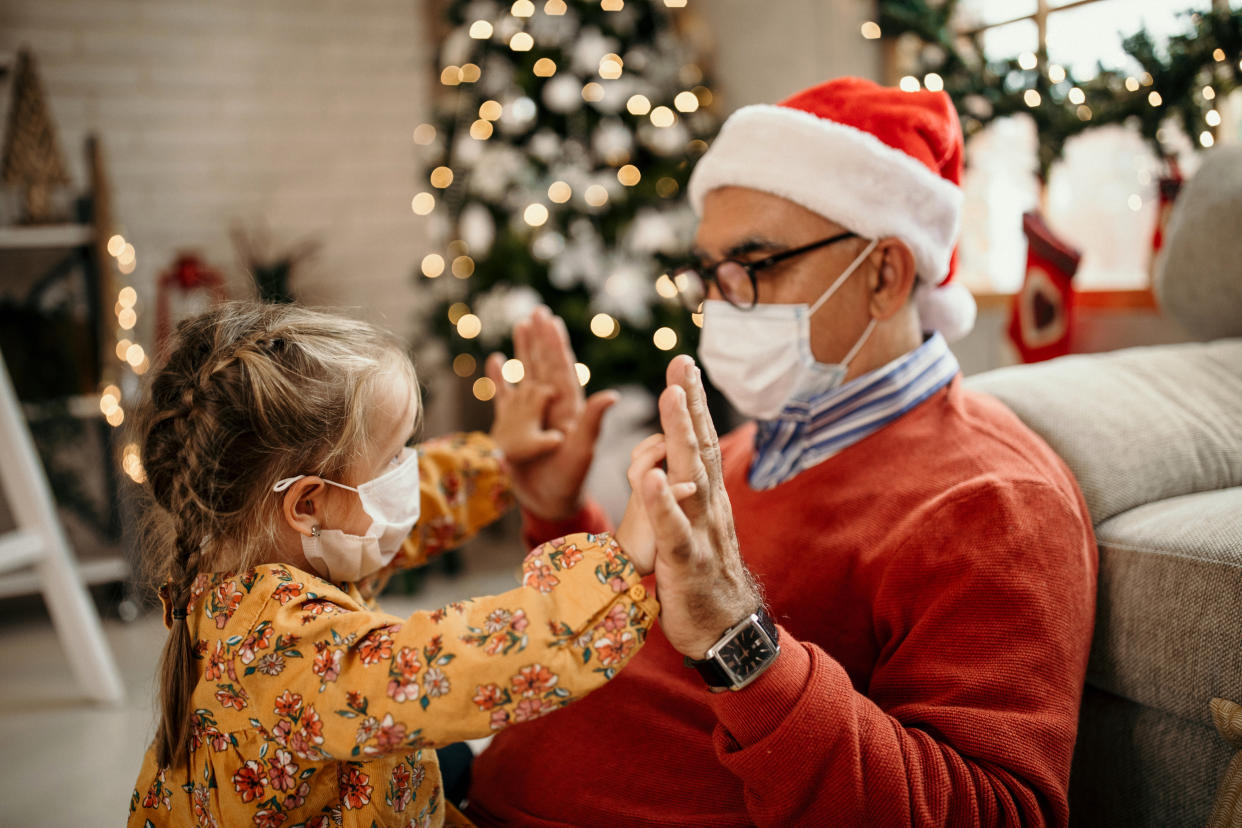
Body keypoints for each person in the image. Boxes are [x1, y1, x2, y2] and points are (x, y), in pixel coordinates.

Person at [467, 77, 1097, 826]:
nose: (718, 303)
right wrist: (556, 514)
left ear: (885, 274)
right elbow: (636, 652)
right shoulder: (737, 450)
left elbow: (998, 812)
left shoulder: (992, 500)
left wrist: (743, 646)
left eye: (754, 267)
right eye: (709, 273)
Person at [126, 301, 677, 827]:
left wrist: (498, 459)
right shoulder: (283, 643)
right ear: (308, 505)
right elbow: (454, 665)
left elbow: (411, 503)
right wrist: (618, 564)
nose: (408, 470)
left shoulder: (255, 550)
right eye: (394, 457)